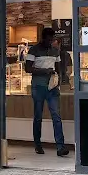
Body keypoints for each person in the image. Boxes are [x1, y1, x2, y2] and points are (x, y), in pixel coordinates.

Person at [25, 28, 69, 156]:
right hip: (38, 86)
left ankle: (60, 147)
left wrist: (59, 81)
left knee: (56, 116)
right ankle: (38, 145)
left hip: (52, 87)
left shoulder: (56, 51)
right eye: (49, 39)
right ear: (43, 38)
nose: (51, 41)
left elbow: (59, 69)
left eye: (52, 39)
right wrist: (44, 71)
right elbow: (27, 68)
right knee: (38, 116)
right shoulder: (34, 50)